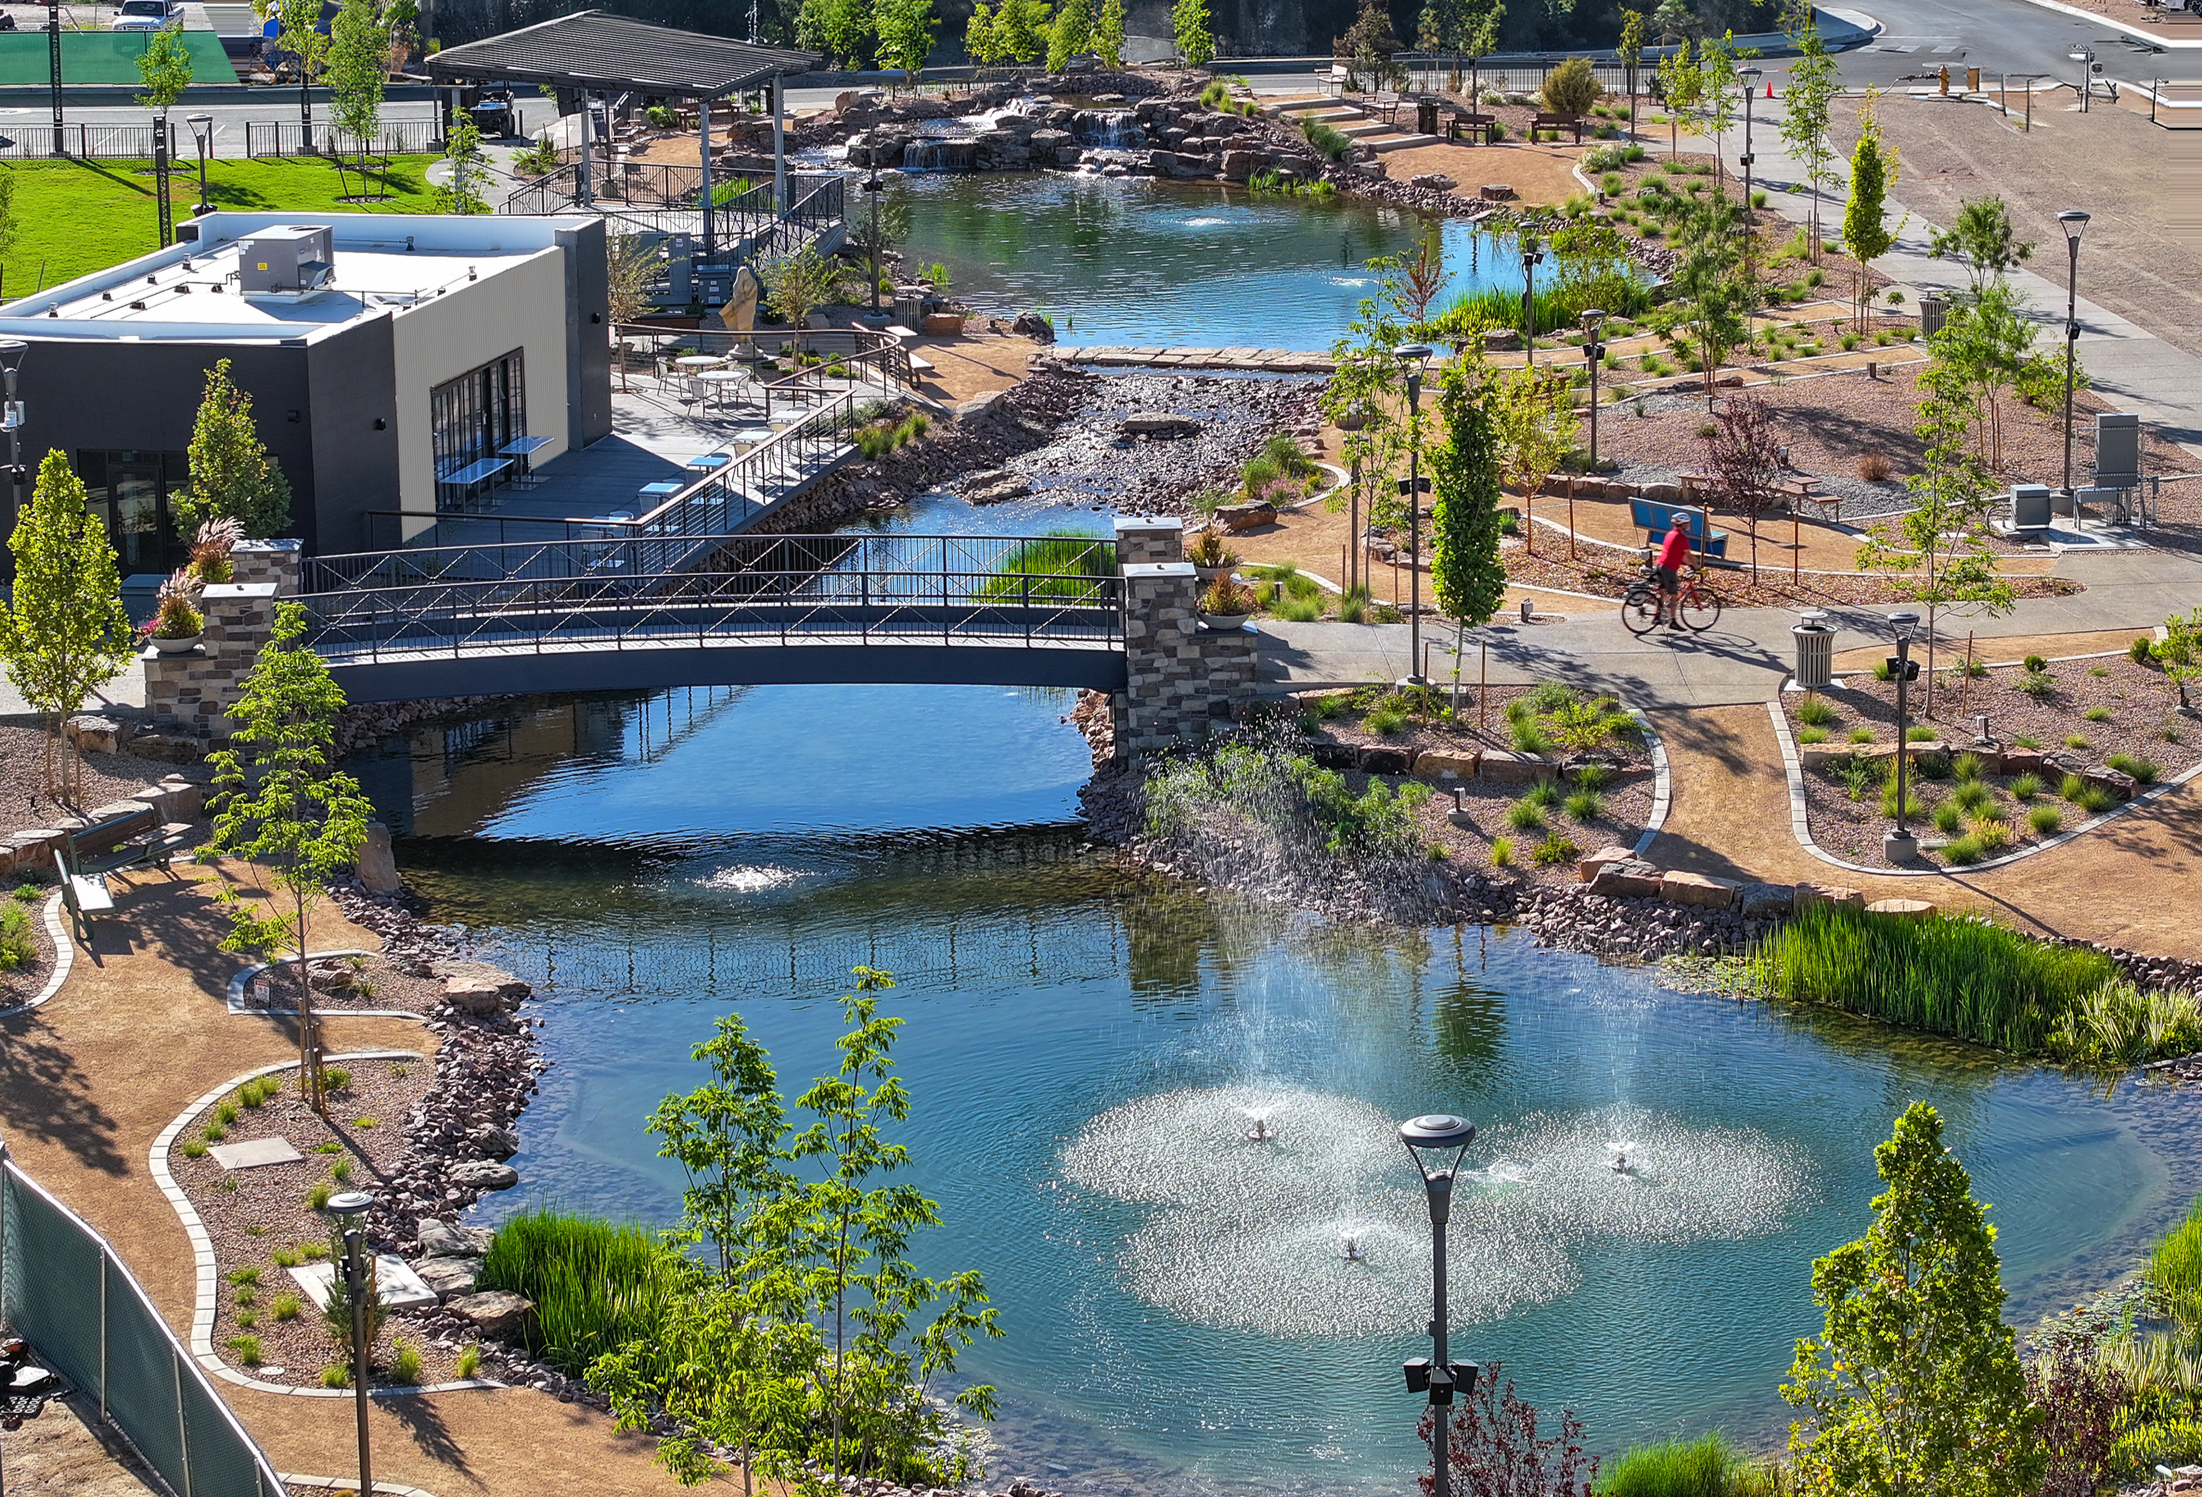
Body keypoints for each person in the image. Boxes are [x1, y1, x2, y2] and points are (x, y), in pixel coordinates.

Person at [1655, 516, 1691, 631]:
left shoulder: (1670, 534)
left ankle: (1657, 616)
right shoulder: (1681, 537)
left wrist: (1685, 562)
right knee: (1673, 595)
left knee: (1662, 592)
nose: (1688, 525)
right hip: (1669, 568)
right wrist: (1696, 566)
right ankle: (1673, 621)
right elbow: (1688, 555)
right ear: (1683, 524)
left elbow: (1675, 552)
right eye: (1687, 523)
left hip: (1660, 565)